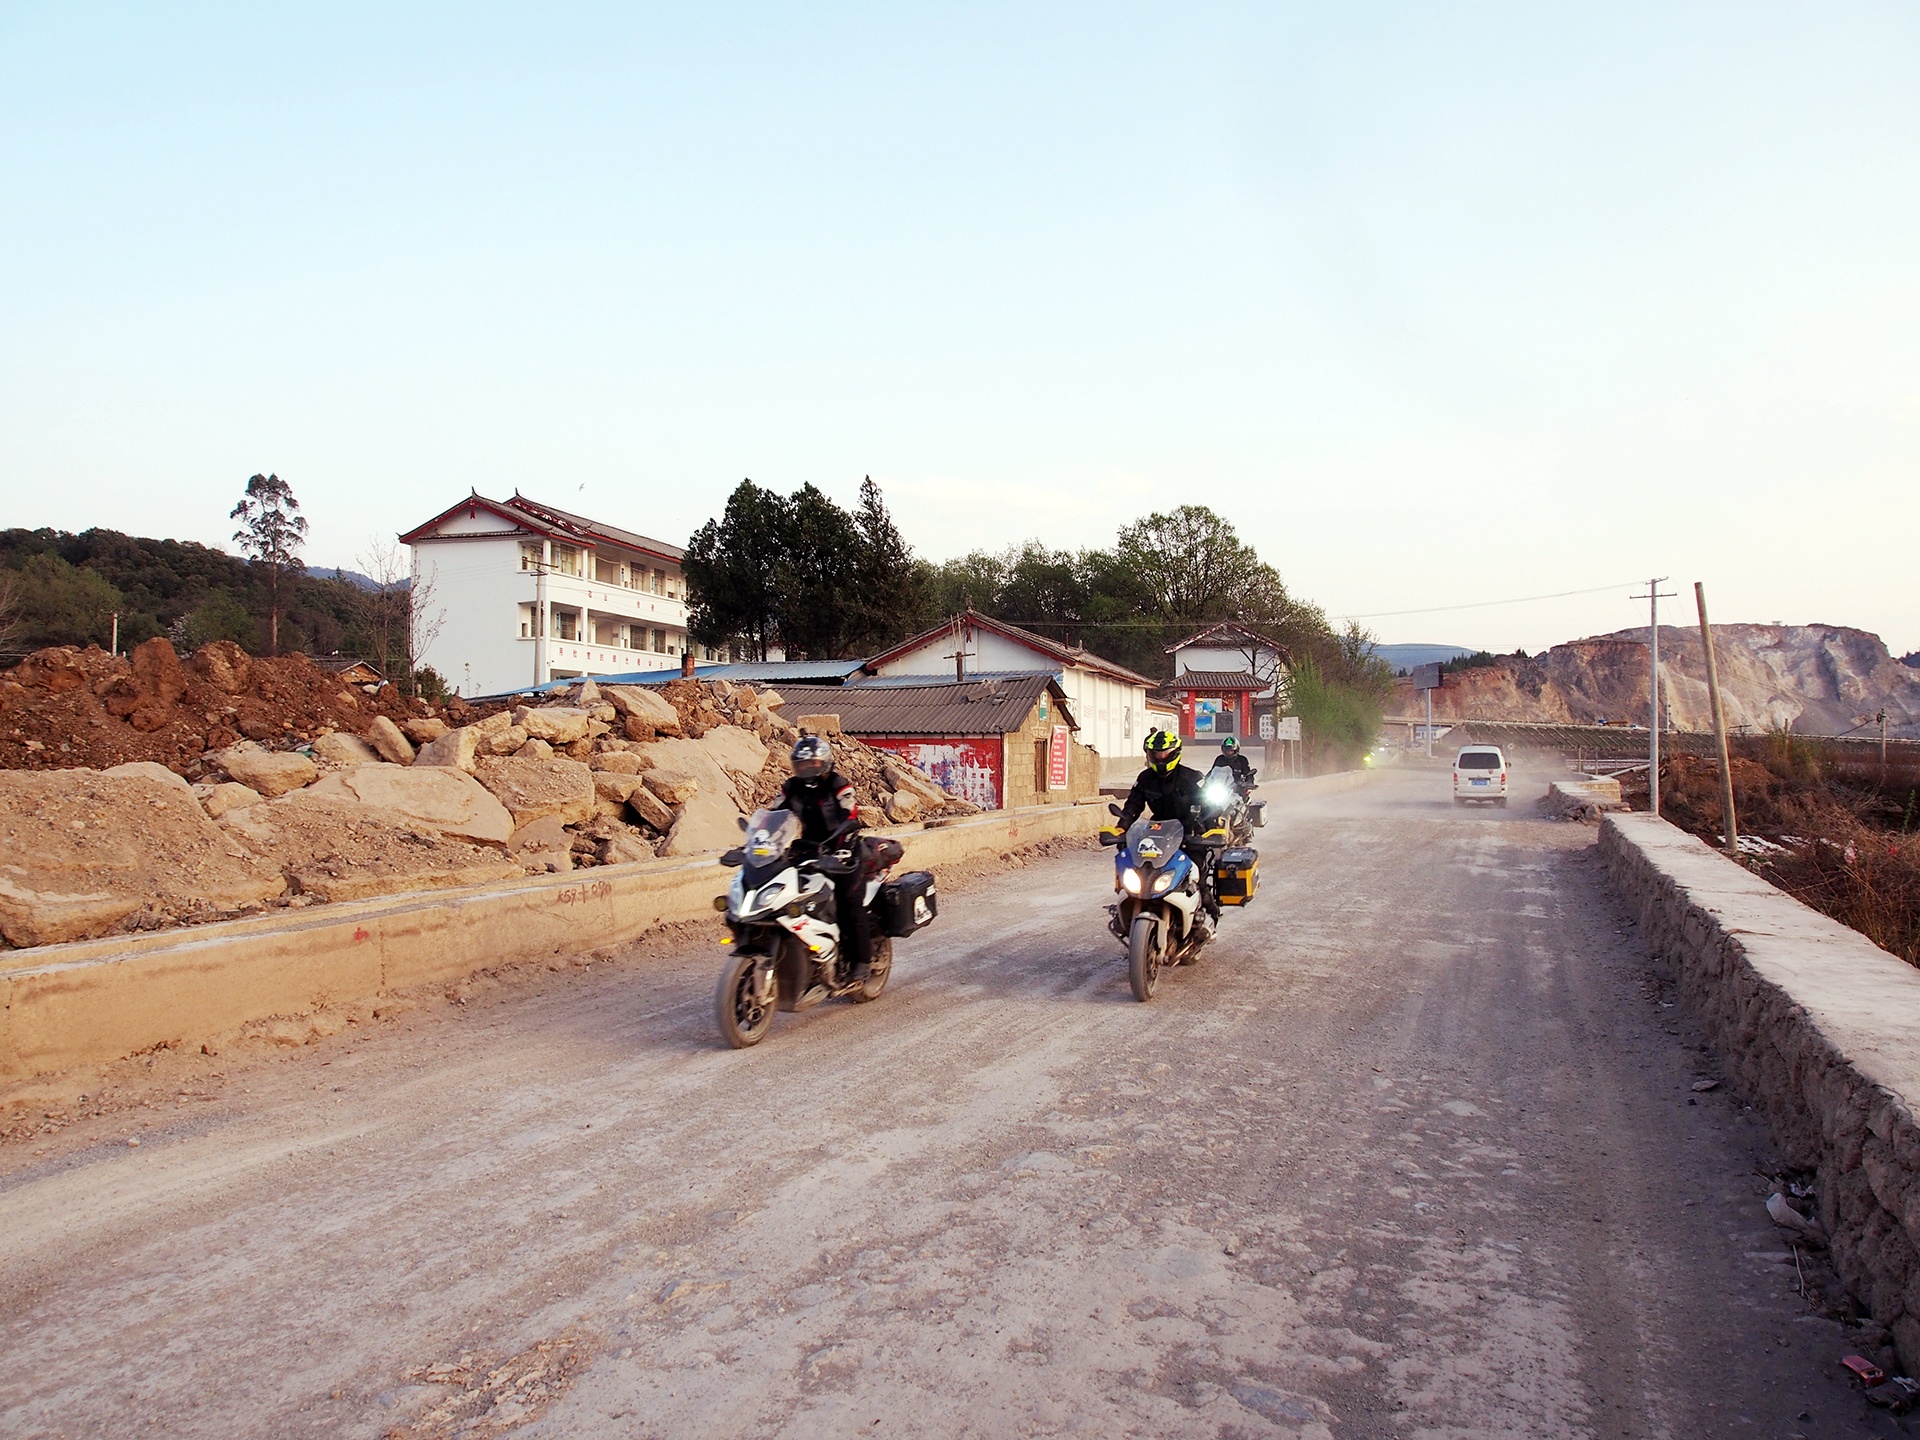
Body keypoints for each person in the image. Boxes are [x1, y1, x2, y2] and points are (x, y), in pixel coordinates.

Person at [769, 734, 876, 982]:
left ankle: (862, 962)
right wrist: (762, 840)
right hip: (808, 849)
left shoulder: (839, 785)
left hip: (843, 848)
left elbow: (850, 816)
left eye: (813, 764)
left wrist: (844, 844)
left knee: (849, 902)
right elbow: (774, 813)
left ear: (825, 763)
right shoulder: (791, 787)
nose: (807, 769)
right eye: (802, 764)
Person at [1104, 729, 1225, 924]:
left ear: (1175, 753)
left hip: (1190, 831)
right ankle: (1126, 911)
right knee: (1137, 868)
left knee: (1196, 875)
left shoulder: (1192, 777)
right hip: (1158, 830)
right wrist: (1122, 827)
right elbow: (1133, 806)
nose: (1160, 758)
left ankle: (1207, 914)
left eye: (1164, 754)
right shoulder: (1144, 778)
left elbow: (1210, 807)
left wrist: (1211, 828)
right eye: (1156, 754)